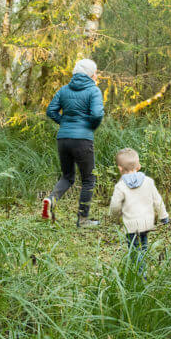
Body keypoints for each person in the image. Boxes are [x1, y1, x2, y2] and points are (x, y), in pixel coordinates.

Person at [43, 59, 106, 227]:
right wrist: (90, 126)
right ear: (92, 74)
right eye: (96, 72)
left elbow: (51, 111)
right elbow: (97, 114)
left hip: (63, 139)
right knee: (88, 179)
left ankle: (50, 200)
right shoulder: (94, 90)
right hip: (82, 140)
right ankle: (83, 220)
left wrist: (64, 123)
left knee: (67, 177)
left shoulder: (64, 90)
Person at [107, 148, 170, 264]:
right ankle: (143, 265)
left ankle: (140, 274)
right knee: (144, 245)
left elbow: (115, 206)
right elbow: (158, 200)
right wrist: (164, 216)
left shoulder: (120, 186)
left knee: (135, 248)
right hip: (146, 222)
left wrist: (114, 217)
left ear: (120, 168)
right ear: (139, 166)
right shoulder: (148, 181)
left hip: (131, 225)